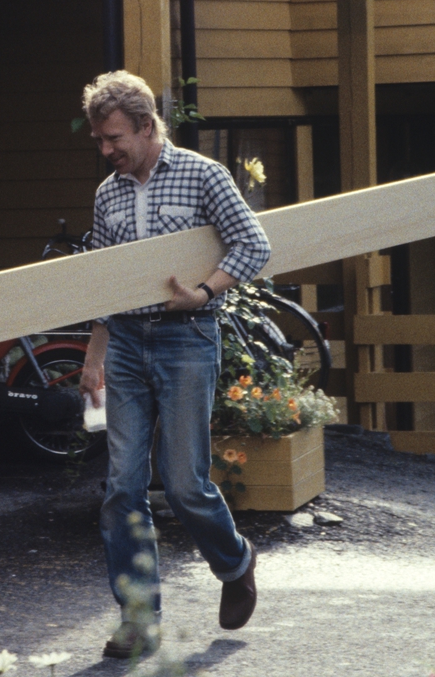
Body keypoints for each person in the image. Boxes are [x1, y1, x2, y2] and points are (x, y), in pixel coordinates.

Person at [77, 70, 271, 659]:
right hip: (129, 342)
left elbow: (253, 244)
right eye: (99, 140)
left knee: (185, 483)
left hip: (187, 337)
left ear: (145, 126)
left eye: (114, 138)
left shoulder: (203, 175)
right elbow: (106, 278)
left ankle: (236, 563)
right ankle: (138, 619)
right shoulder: (107, 193)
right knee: (122, 488)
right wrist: (96, 352)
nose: (106, 150)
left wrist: (205, 292)